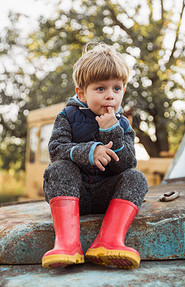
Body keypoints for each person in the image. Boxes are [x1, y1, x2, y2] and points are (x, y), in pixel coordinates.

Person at [42, 43, 149, 270]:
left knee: (136, 177)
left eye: (116, 89)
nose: (110, 96)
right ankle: (67, 244)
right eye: (101, 89)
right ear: (81, 92)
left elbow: (127, 164)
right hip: (73, 193)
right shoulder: (68, 116)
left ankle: (109, 241)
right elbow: (56, 150)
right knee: (58, 169)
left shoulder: (122, 124)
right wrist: (90, 151)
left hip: (104, 195)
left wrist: (112, 132)